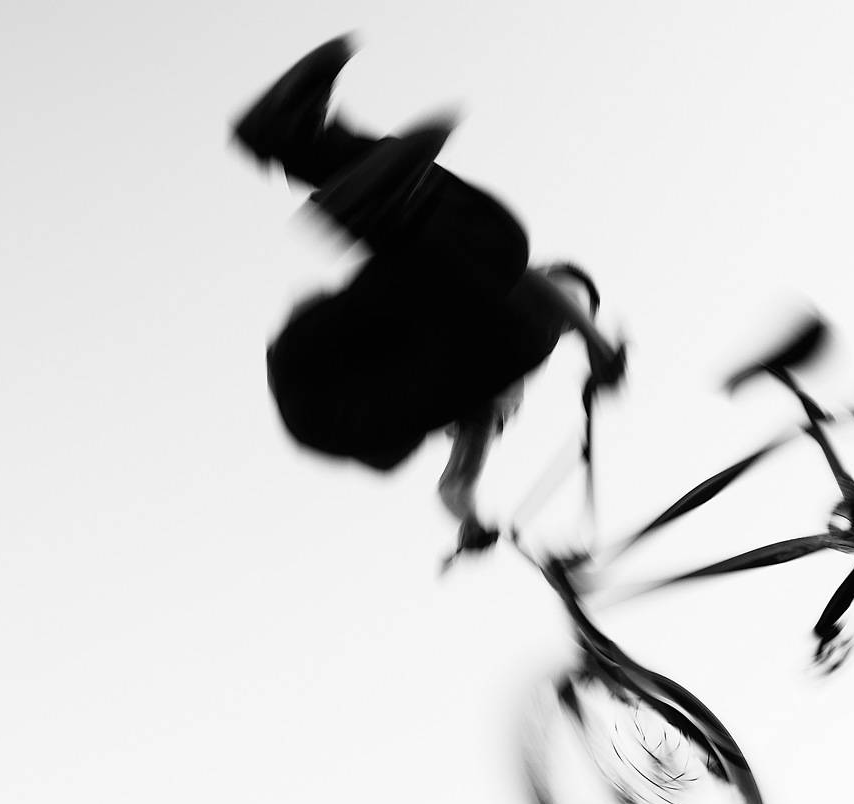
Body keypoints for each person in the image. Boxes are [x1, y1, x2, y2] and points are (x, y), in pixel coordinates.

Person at [233, 35, 626, 555]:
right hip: (324, 366)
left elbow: (456, 485)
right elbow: (526, 287)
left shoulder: (503, 374)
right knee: (492, 251)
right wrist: (596, 345)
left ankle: (368, 191)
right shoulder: (493, 318)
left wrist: (471, 520)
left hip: (334, 397)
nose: (563, 309)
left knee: (503, 265)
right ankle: (298, 139)